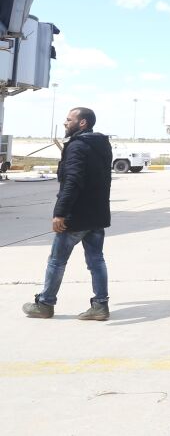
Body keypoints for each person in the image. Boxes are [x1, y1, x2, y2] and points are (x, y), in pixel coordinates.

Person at [22, 107, 113, 320]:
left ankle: (45, 304)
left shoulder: (77, 146)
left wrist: (60, 213)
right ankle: (100, 305)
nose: (65, 123)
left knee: (56, 261)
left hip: (77, 216)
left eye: (69, 119)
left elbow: (72, 181)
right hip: (97, 214)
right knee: (96, 260)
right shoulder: (101, 145)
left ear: (82, 123)